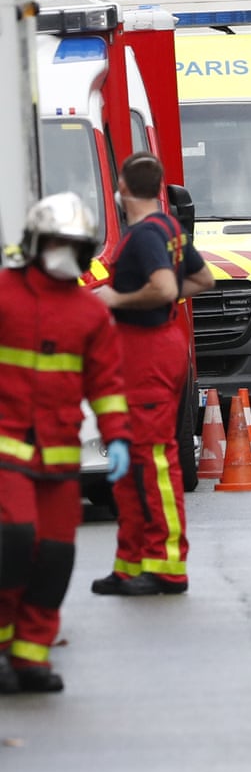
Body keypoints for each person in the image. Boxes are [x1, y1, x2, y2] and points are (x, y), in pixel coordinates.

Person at [0, 193, 132, 693]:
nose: (62, 252)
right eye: (56, 242)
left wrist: (118, 439)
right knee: (13, 542)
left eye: (71, 245)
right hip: (6, 449)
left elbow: (107, 385)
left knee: (55, 557)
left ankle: (31, 656)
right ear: (35, 243)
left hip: (58, 457)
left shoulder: (89, 313)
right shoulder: (4, 294)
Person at [91, 153, 214, 598]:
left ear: (122, 188)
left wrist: (116, 300)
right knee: (130, 460)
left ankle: (166, 565)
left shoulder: (144, 235)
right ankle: (131, 563)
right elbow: (202, 280)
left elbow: (163, 287)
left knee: (152, 459)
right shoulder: (169, 228)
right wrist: (165, 298)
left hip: (146, 353)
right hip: (157, 346)